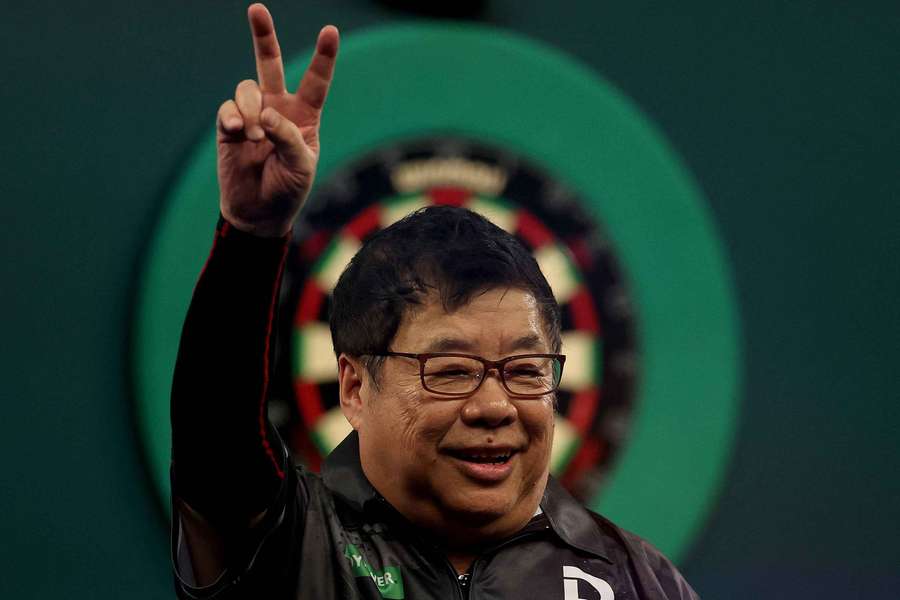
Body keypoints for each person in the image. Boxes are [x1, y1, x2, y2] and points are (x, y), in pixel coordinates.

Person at [169, 3, 700, 598]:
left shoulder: (639, 580)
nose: (495, 406)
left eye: (526, 371)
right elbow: (213, 444)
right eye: (451, 371)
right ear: (353, 388)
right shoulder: (292, 542)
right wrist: (252, 234)